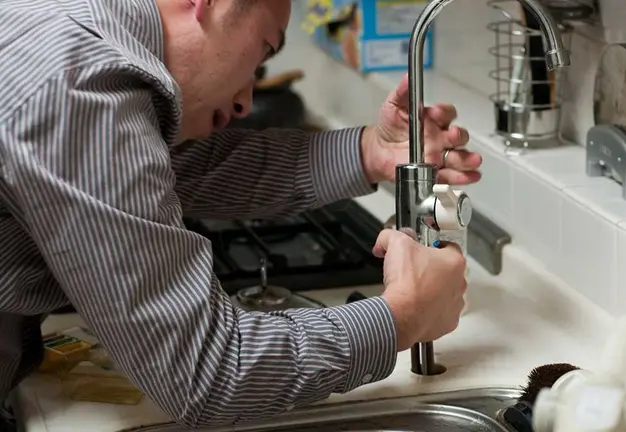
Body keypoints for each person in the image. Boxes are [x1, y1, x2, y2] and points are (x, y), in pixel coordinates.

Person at [0, 0, 483, 428]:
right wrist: (403, 316)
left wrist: (370, 151)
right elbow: (206, 373)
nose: (244, 100)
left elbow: (187, 167)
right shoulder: (82, 86)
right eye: (263, 51)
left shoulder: (77, 31)